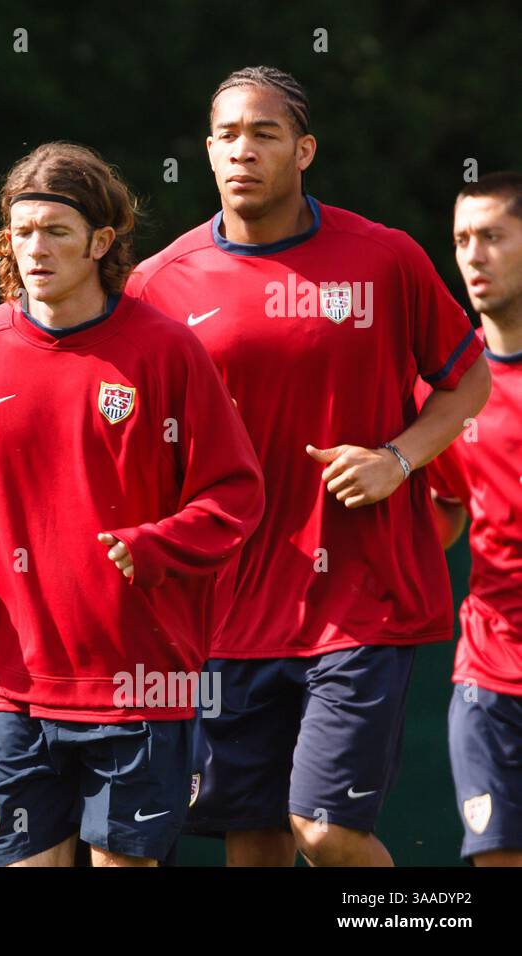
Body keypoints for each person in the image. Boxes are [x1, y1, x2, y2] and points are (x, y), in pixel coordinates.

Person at [127, 65, 491, 866]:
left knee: (324, 831)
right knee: (255, 842)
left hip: (358, 601)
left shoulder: (384, 258)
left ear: (305, 150)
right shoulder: (156, 285)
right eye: (226, 135)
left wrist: (399, 460)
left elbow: (469, 379)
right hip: (224, 612)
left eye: (264, 133)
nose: (242, 152)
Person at [0, 142, 263, 866]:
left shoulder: (166, 350)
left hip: (139, 682)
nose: (35, 249)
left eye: (57, 232)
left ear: (102, 242)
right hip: (16, 684)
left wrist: (156, 545)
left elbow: (236, 492)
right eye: (22, 232)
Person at [426, 172, 522, 866]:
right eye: (462, 238)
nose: (473, 255)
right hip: (487, 678)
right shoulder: (443, 393)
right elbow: (447, 512)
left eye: (493, 236)